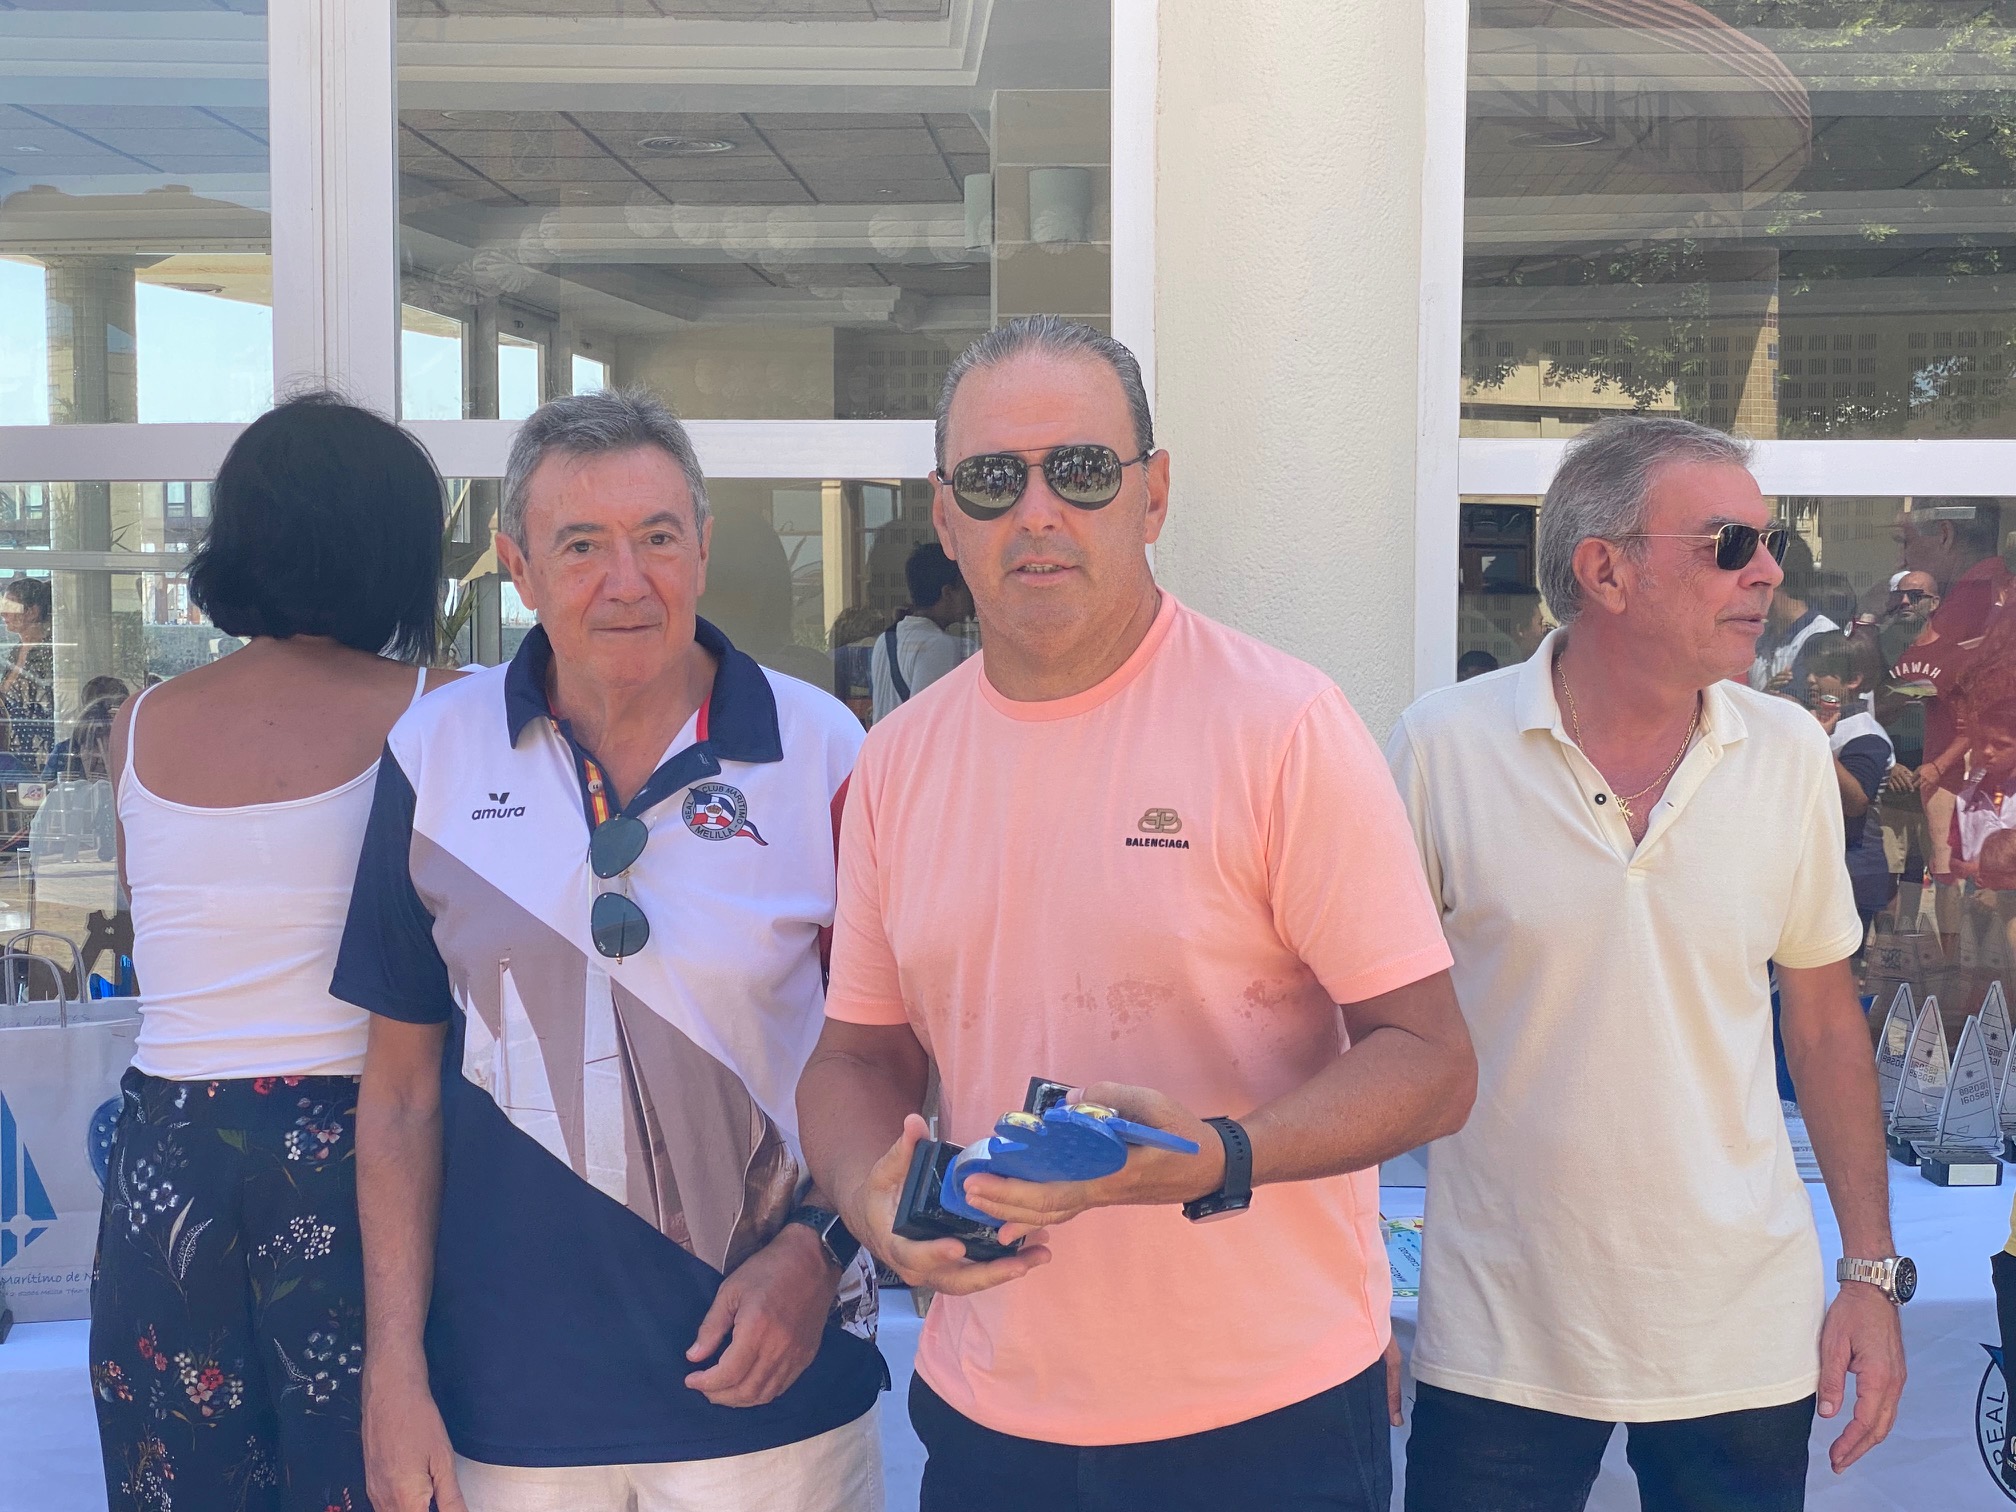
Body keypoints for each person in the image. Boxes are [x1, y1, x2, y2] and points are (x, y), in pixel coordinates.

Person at [798, 316, 1477, 1512]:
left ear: (1152, 495)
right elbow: (859, 1057)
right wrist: (868, 1201)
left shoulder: (1283, 727)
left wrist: (1219, 1157)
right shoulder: (898, 760)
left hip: (1264, 1415)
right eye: (994, 480)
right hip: (992, 1413)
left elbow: (1430, 1061)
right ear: (946, 516)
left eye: (1082, 471)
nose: (1038, 512)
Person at [335, 388, 885, 1512]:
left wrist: (820, 1251)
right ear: (517, 566)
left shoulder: (827, 750)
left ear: (704, 548)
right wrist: (392, 1368)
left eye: (658, 538)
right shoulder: (433, 753)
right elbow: (397, 1096)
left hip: (774, 1396)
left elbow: (896, 1056)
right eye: (582, 545)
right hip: (508, 1411)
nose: (627, 582)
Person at [1388, 416, 1907, 1512]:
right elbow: (1370, 1030)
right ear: (1605, 570)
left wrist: (1870, 1273)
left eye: (1772, 544)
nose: (1768, 573)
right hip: (1502, 1329)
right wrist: (1344, 1285)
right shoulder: (1444, 747)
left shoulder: (1789, 754)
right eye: (1730, 545)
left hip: (1740, 1329)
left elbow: (1822, 1023)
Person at [89, 393, 452, 1512]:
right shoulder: (442, 711)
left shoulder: (140, 722)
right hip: (366, 1147)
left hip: (166, 1154)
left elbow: (148, 923)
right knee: (384, 1478)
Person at [1804, 631, 1896, 930]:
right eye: (1809, 670)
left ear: (1853, 680)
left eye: (1822, 671)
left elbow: (1855, 802)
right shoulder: (1821, 722)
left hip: (1852, 870)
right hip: (1820, 868)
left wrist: (1819, 744)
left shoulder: (1865, 734)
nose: (1811, 680)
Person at [868, 543, 973, 721]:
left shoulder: (884, 640)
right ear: (948, 593)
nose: (972, 595)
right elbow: (929, 720)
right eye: (966, 586)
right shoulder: (938, 646)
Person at [1748, 539, 1836, 693]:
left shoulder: (1822, 640)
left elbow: (1793, 704)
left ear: (1776, 581)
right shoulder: (1759, 636)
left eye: (1754, 581)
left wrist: (1763, 697)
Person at [0, 574, 56, 771]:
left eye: (10, 606)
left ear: (32, 612)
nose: (3, 613)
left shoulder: (51, 653)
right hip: (12, 752)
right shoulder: (14, 652)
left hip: (40, 752)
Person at [46, 675, 131, 782]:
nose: (99, 756)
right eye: (92, 745)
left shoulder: (133, 749)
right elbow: (41, 788)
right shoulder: (65, 751)